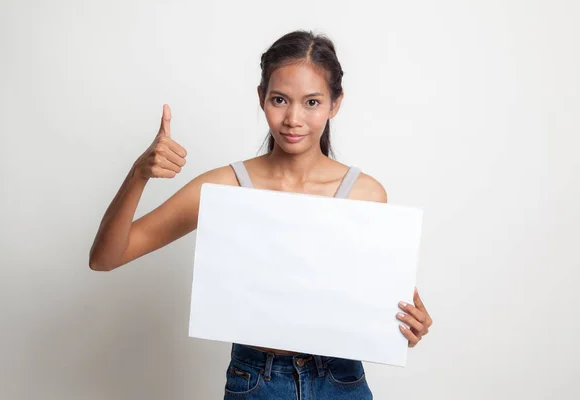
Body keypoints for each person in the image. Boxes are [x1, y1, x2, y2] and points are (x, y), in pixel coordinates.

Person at [89, 30, 432, 400]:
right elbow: (106, 258)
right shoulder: (225, 188)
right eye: (280, 99)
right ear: (261, 98)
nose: (293, 118)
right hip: (257, 382)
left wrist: (409, 327)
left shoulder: (365, 194)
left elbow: (372, 311)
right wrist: (139, 173)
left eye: (312, 102)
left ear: (335, 104)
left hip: (341, 380)